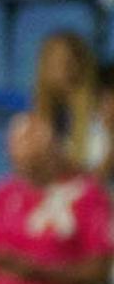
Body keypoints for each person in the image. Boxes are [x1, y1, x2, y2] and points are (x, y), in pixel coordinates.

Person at [0, 112, 113, 284]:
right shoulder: (2, 194)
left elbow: (98, 270)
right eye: (15, 140)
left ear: (54, 143)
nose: (21, 147)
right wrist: (5, 261)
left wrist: (35, 270)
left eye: (30, 137)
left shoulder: (87, 195)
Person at [32, 31, 114, 181]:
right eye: (53, 63)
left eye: (67, 62)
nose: (62, 70)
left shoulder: (105, 105)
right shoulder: (47, 116)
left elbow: (100, 176)